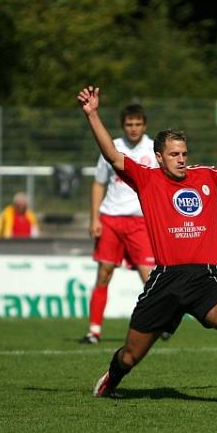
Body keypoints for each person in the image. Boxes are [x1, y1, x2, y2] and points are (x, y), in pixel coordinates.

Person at [78, 85, 217, 407]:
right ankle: (112, 379)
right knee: (131, 355)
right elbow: (112, 155)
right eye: (174, 154)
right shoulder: (147, 179)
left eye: (184, 154)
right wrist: (93, 114)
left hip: (205, 278)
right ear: (159, 156)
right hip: (165, 281)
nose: (180, 160)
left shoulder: (205, 177)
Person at [80, 104, 158, 345]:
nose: (133, 129)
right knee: (104, 274)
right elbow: (98, 183)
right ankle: (94, 330)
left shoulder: (155, 149)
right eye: (129, 124)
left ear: (144, 125)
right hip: (111, 219)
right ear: (123, 126)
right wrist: (94, 218)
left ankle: (159, 323)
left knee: (150, 277)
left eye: (137, 124)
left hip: (140, 221)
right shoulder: (112, 146)